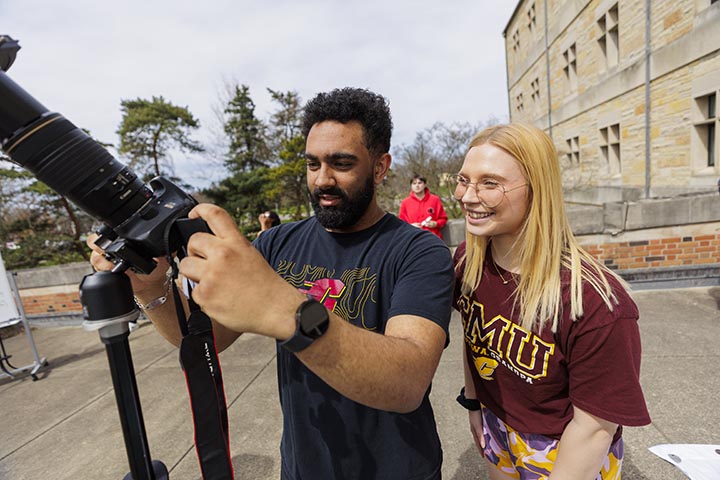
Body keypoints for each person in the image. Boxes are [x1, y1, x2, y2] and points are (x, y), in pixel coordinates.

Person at [89, 87, 454, 480]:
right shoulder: (277, 242)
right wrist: (150, 286)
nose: (323, 180)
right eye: (312, 164)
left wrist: (284, 309)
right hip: (303, 466)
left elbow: (407, 381)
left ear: (380, 167)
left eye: (342, 163)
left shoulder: (419, 251)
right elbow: (208, 335)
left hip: (396, 469)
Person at [450, 123, 650, 480]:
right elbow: (472, 336)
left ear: (537, 190)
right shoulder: (468, 260)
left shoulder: (597, 303)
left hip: (562, 444)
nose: (466, 196)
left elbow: (592, 429)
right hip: (498, 426)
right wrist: (474, 402)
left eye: (490, 183)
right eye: (464, 180)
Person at [398, 174, 448, 239]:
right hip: (414, 239)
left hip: (433, 238)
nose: (417, 186)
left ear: (424, 184)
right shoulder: (405, 203)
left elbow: (443, 218)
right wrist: (411, 226)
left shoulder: (435, 200)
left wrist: (435, 224)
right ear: (411, 186)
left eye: (419, 183)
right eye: (414, 183)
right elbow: (401, 223)